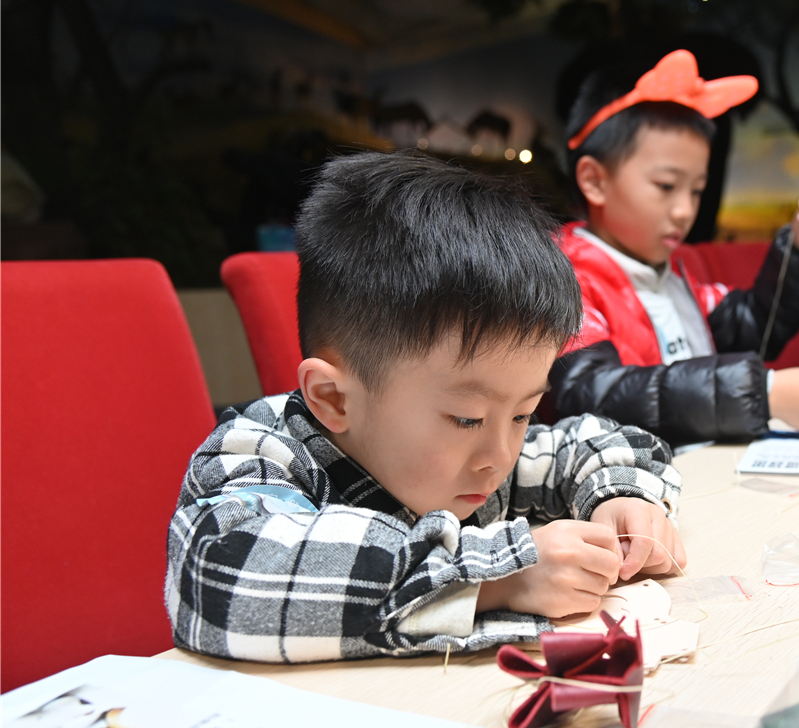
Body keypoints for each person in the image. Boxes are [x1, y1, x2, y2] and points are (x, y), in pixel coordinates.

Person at [166, 151, 686, 664]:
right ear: (333, 398)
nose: (499, 456)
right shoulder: (260, 451)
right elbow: (221, 572)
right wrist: (501, 577)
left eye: (524, 413)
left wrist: (621, 497)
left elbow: (597, 443)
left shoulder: (479, 457)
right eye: (466, 419)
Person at [550, 50, 799, 447]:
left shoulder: (672, 274)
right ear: (594, 180)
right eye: (666, 186)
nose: (685, 210)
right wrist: (764, 393)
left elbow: (752, 327)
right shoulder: (562, 278)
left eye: (696, 191)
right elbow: (590, 393)